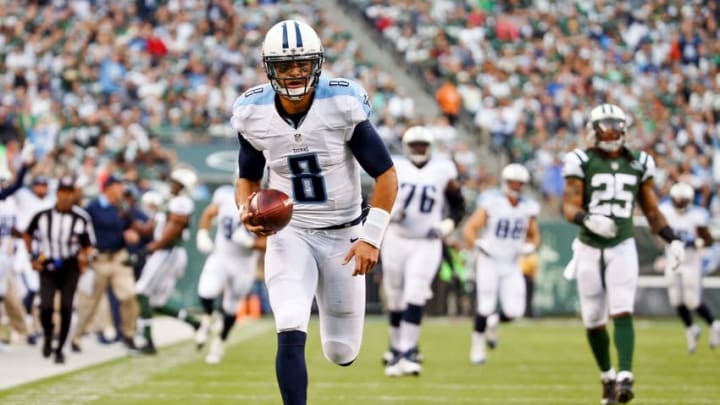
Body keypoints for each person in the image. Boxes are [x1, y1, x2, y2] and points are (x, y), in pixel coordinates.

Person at [232, 19, 398, 405]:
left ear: (317, 64)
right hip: (292, 233)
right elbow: (247, 178)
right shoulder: (251, 113)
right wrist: (245, 208)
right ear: (269, 68)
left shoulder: (340, 103)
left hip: (344, 234)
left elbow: (386, 175)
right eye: (285, 65)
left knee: (341, 352)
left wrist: (371, 238)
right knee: (289, 320)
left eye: (302, 64)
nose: (294, 73)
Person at [562, 103, 685, 404]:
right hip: (589, 247)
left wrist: (673, 238)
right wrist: (587, 219)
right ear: (593, 130)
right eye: (604, 125)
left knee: (622, 308)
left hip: (622, 244)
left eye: (615, 124)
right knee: (592, 319)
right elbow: (569, 206)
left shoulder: (640, 162)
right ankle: (607, 375)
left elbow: (651, 209)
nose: (611, 131)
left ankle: (625, 375)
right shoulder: (581, 160)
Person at [380, 126, 465, 377]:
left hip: (426, 241)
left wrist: (448, 224)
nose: (419, 149)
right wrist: (389, 211)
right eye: (415, 145)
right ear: (407, 147)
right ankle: (396, 348)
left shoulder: (443, 169)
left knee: (415, 295)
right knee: (395, 297)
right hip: (396, 237)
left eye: (422, 145)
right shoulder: (394, 166)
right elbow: (377, 196)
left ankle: (407, 351)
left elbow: (458, 204)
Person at [461, 163, 540, 365]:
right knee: (485, 305)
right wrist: (477, 243)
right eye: (512, 182)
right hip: (490, 260)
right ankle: (477, 347)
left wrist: (530, 247)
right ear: (505, 182)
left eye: (519, 183)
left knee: (515, 311)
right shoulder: (492, 201)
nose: (515, 186)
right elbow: (470, 228)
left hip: (512, 263)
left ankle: (494, 322)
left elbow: (534, 236)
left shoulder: (527, 207)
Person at [22, 176, 95, 364]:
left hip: (70, 266)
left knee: (66, 307)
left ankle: (60, 347)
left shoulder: (81, 218)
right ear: (57, 193)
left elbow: (89, 245)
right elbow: (27, 234)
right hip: (48, 264)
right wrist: (32, 256)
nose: (65, 197)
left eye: (69, 193)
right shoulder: (43, 216)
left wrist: (85, 257)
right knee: (45, 306)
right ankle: (47, 336)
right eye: (62, 192)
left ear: (74, 195)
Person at [195, 183, 266, 364]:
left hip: (244, 264)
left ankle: (220, 341)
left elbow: (270, 243)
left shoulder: (265, 203)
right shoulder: (224, 196)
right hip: (221, 256)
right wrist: (202, 233)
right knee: (206, 293)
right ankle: (209, 319)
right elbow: (209, 213)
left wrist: (250, 244)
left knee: (231, 308)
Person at [134, 167, 200, 354]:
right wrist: (128, 214)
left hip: (168, 251)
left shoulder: (182, 203)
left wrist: (147, 250)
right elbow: (149, 229)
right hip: (164, 251)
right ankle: (193, 323)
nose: (172, 186)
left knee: (141, 291)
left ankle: (146, 341)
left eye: (176, 184)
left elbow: (170, 234)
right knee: (156, 302)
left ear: (184, 187)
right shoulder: (172, 201)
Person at [71, 175, 139, 352]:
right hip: (99, 258)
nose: (122, 190)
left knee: (129, 294)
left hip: (118, 257)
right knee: (90, 302)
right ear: (109, 188)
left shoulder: (123, 206)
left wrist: (130, 234)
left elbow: (129, 226)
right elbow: (82, 232)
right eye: (119, 186)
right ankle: (77, 337)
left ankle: (128, 334)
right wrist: (84, 254)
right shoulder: (93, 207)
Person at [658, 182, 720, 353]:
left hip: (691, 263)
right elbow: (657, 232)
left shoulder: (697, 215)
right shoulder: (665, 211)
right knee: (676, 300)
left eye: (682, 200)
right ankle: (691, 328)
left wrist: (696, 243)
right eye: (676, 200)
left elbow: (708, 239)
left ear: (689, 200)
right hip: (672, 261)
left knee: (692, 301)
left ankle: (714, 324)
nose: (679, 204)